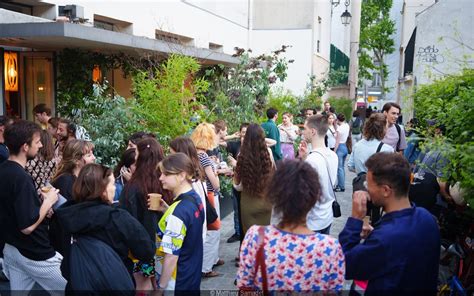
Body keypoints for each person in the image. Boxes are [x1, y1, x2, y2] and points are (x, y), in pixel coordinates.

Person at [339, 152, 440, 294]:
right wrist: (376, 234)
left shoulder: (384, 239)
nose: (366, 188)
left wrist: (355, 220)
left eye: (368, 183)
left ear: (386, 190)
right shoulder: (427, 218)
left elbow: (343, 264)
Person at [237, 160, 345, 291]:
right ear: (314, 197)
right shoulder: (330, 248)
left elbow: (245, 288)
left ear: (275, 195)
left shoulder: (256, 237)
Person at [55, 163, 155, 289]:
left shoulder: (67, 214)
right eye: (112, 184)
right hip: (112, 283)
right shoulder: (116, 217)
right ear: (102, 190)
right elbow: (146, 250)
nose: (114, 188)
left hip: (78, 282)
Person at [0, 120, 66, 292]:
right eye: (37, 142)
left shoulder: (4, 170)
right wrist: (49, 201)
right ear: (25, 146)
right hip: (34, 252)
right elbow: (27, 227)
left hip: (12, 249)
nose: (41, 145)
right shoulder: (20, 178)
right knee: (73, 287)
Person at [119, 137, 170, 290]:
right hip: (164, 243)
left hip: (141, 247)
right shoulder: (165, 180)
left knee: (143, 282)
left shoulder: (133, 186)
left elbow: (126, 217)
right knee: (160, 280)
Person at [156, 153, 205, 295]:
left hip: (177, 282)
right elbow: (189, 227)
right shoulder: (195, 198)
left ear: (182, 175)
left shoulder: (178, 213)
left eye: (166, 174)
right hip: (192, 275)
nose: (161, 178)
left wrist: (160, 288)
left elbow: (171, 256)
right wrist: (167, 209)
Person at [190, 123, 223, 277]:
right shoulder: (204, 157)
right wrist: (217, 172)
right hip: (210, 195)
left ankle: (212, 259)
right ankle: (206, 267)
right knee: (213, 229)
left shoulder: (193, 155)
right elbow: (215, 183)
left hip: (201, 194)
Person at [298, 115, 338, 234]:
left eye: (305, 129)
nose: (303, 132)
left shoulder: (312, 160)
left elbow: (305, 193)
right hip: (327, 215)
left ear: (313, 131)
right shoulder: (333, 155)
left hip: (312, 220)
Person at [233, 123, 274, 236]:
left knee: (250, 238)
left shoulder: (242, 155)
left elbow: (238, 186)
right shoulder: (268, 153)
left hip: (249, 203)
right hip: (265, 201)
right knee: (264, 237)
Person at [226, 123, 249, 244]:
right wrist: (230, 136)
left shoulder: (254, 147)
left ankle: (245, 236)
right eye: (243, 132)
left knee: (246, 212)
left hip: (248, 185)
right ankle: (238, 232)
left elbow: (273, 142)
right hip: (237, 181)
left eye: (247, 132)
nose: (244, 135)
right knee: (236, 210)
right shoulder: (235, 145)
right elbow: (216, 140)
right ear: (239, 133)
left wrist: (236, 164)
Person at [334, 113, 350, 192]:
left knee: (339, 168)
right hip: (345, 146)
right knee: (342, 168)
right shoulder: (347, 126)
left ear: (337, 119)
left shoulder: (339, 129)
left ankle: (341, 186)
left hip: (339, 147)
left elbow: (337, 142)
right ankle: (341, 184)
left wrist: (334, 151)